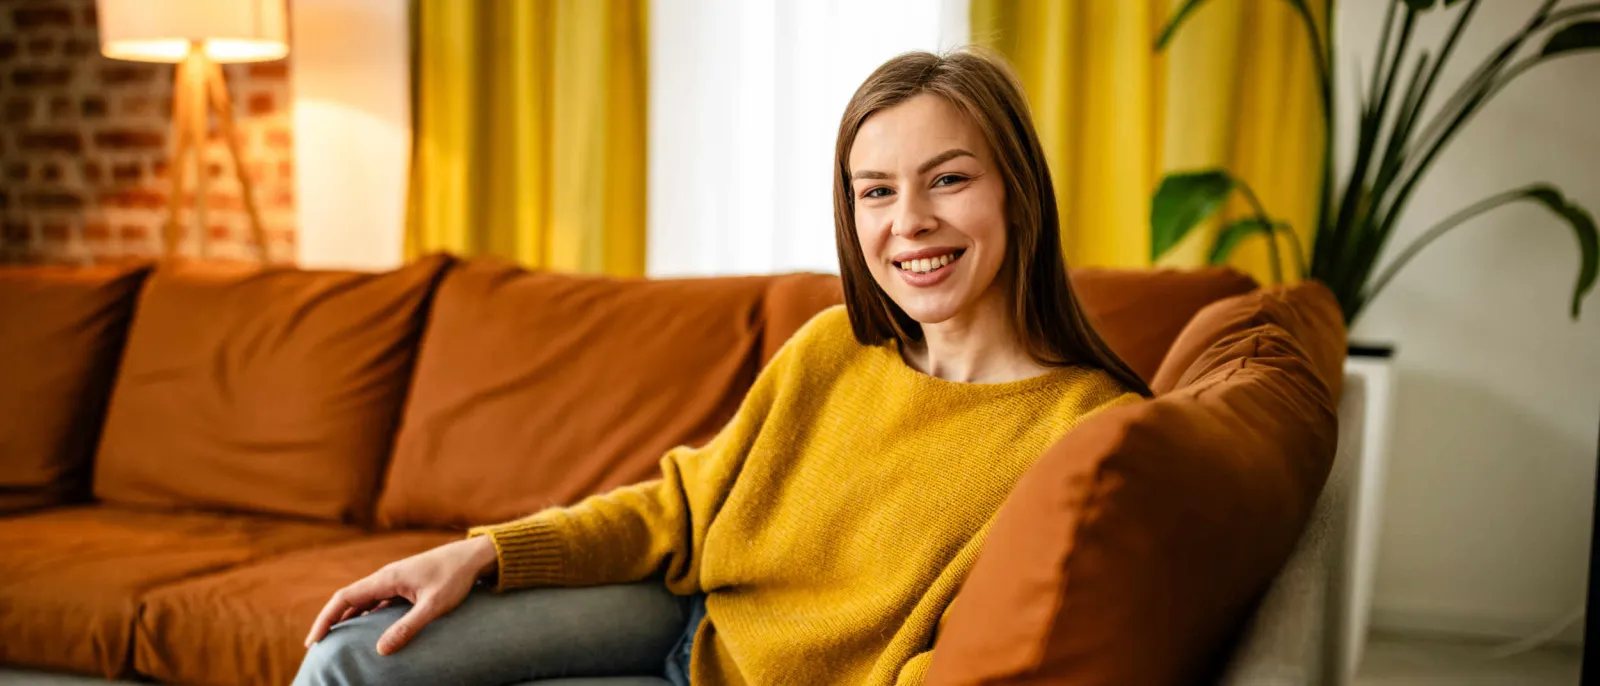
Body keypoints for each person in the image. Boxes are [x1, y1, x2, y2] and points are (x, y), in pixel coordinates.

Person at [294, 47, 1151, 686]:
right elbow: (685, 506)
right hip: (681, 611)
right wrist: (480, 556)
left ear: (1017, 191)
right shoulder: (835, 348)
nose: (911, 221)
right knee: (348, 659)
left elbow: (970, 657)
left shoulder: (1085, 431)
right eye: (877, 191)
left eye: (950, 180)